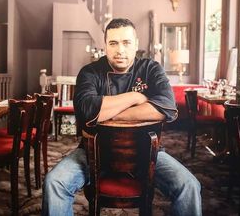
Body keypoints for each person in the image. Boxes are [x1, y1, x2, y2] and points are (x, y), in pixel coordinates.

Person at [43, 18, 202, 216]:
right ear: (105, 46)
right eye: (113, 43)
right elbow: (86, 111)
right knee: (54, 183)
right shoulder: (90, 72)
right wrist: (135, 97)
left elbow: (166, 107)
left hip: (146, 153)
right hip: (95, 152)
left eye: (126, 43)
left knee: (189, 187)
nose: (120, 50)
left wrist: (105, 113)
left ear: (136, 44)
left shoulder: (151, 69)